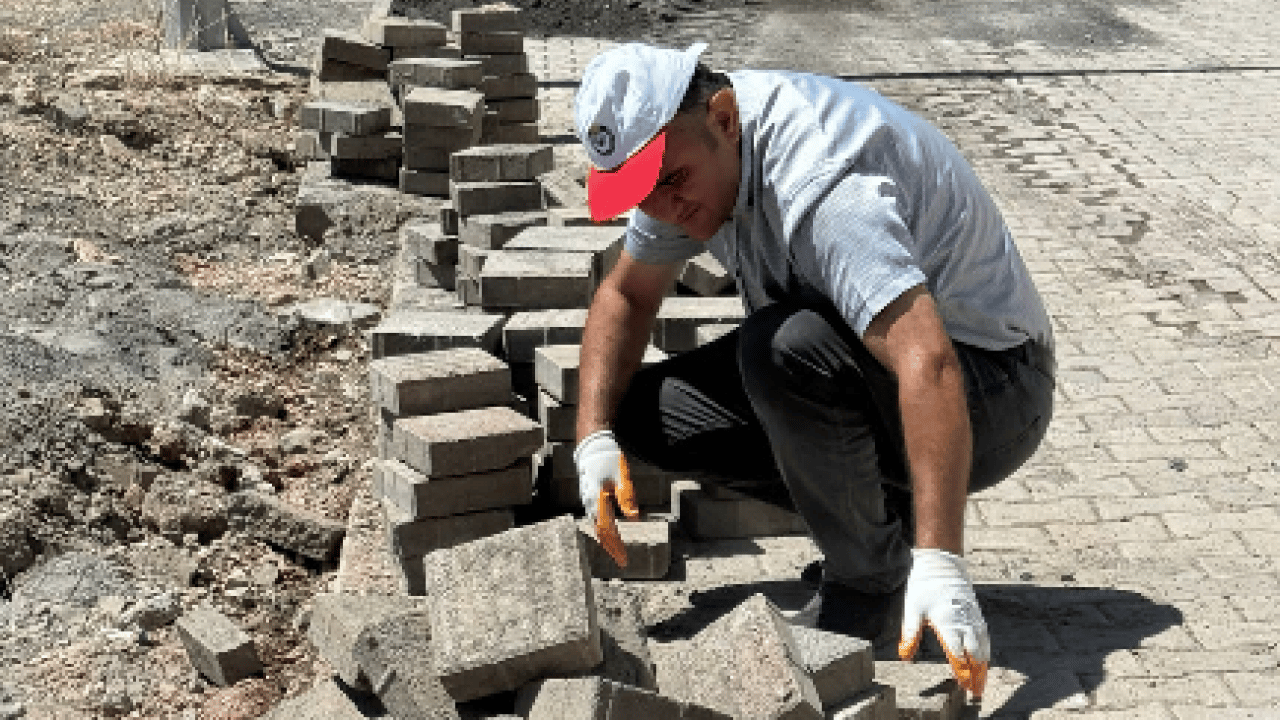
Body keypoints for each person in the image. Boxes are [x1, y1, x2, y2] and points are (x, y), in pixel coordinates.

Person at [570, 42, 1056, 699]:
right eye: (640, 192)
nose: (663, 209)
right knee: (638, 411)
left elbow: (928, 361)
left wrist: (943, 562)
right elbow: (625, 296)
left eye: (672, 181)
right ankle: (876, 530)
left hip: (996, 384)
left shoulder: (822, 174)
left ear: (722, 118)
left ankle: (870, 583)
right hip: (886, 369)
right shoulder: (696, 156)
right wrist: (593, 435)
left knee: (784, 348)